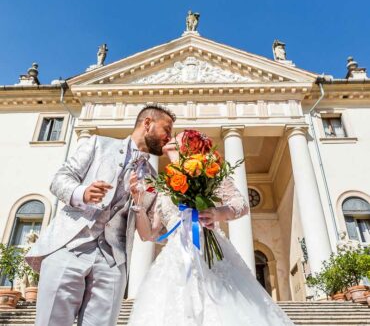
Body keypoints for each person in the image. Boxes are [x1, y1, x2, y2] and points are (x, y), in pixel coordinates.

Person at [25, 104, 175, 326]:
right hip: (69, 247)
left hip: (113, 261)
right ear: (147, 124)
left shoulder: (154, 179)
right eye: (167, 129)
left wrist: (138, 203)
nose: (169, 137)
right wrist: (82, 192)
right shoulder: (98, 144)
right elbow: (59, 179)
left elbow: (149, 231)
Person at [128, 130, 295, 326]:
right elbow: (149, 234)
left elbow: (241, 204)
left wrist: (217, 213)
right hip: (175, 257)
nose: (171, 138)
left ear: (190, 146)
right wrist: (138, 203)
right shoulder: (165, 186)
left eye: (177, 137)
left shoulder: (208, 174)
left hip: (208, 249)